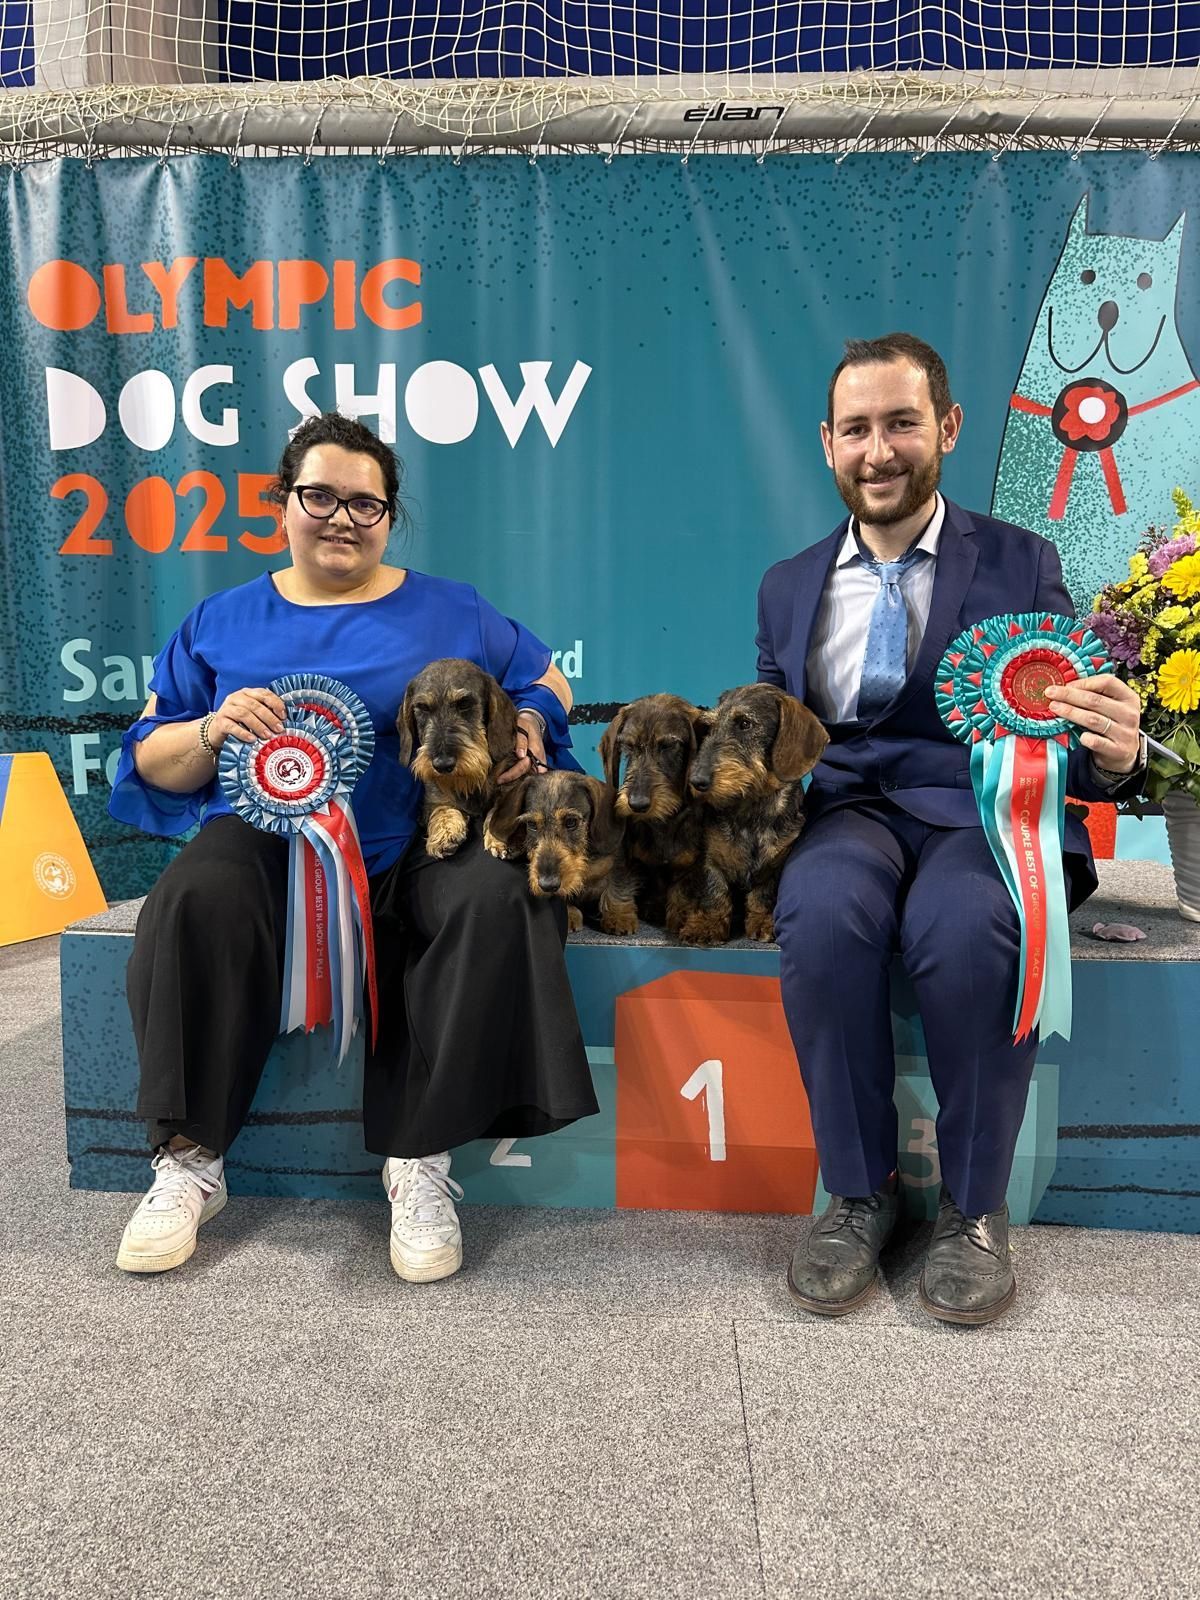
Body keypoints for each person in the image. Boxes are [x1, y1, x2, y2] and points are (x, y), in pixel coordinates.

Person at [109, 412, 597, 1282]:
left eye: (365, 504)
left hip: (422, 836)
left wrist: (529, 719)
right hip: (265, 837)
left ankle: (420, 1161)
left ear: (389, 515)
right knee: (191, 895)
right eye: (320, 496)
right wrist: (216, 727)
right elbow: (153, 754)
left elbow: (547, 674)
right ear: (283, 503)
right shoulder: (220, 621)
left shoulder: (453, 607)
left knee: (497, 896)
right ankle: (187, 1161)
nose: (341, 517)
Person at [757, 334, 1146, 1325]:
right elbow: (770, 732)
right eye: (857, 429)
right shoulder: (787, 582)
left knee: (969, 931)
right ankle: (858, 1193)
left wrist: (1116, 750)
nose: (878, 449)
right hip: (849, 809)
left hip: (984, 813)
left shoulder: (1023, 560)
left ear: (948, 428)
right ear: (827, 443)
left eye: (901, 422)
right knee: (822, 911)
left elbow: (1068, 713)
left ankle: (974, 1210)